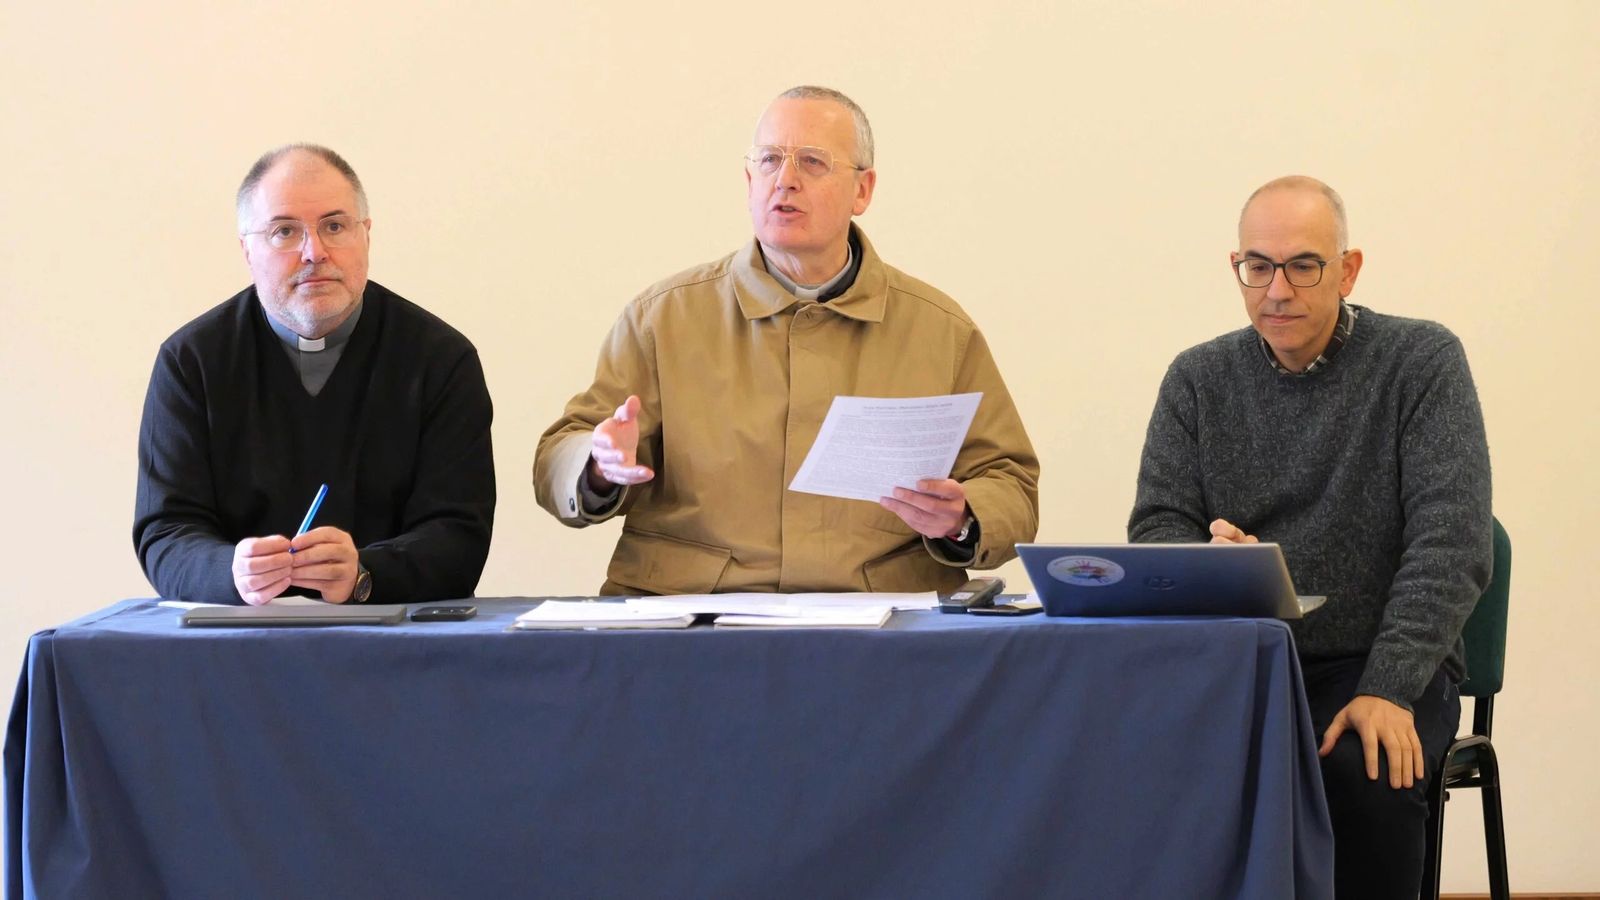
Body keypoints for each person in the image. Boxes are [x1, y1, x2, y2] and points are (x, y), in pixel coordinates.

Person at [1128, 175, 1492, 898]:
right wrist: (1205, 564)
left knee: (1365, 774)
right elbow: (1155, 527)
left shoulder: (1420, 362)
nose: (1277, 290)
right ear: (1237, 268)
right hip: (1244, 663)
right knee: (1132, 764)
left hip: (1380, 660)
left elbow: (1451, 544)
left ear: (1347, 270)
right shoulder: (1198, 378)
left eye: (1303, 265)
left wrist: (1390, 688)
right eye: (1257, 267)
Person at [534, 86, 1038, 594]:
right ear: (749, 180)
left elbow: (1009, 481)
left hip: (879, 621)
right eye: (770, 160)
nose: (786, 180)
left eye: (813, 162)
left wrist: (963, 516)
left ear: (863, 190)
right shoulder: (663, 318)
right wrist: (598, 466)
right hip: (696, 616)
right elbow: (561, 452)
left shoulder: (938, 329)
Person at [134, 144, 495, 606]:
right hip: (232, 649)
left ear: (366, 235)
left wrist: (365, 573)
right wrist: (232, 574)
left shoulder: (441, 360)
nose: (314, 252)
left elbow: (460, 534)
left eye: (335, 226)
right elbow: (165, 530)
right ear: (247, 249)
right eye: (284, 231)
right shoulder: (191, 362)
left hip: (395, 650)